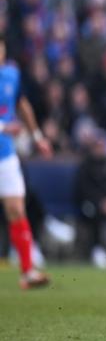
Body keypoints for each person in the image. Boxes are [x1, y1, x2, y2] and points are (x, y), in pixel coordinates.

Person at [0, 36, 53, 289]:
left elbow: (22, 105)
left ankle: (27, 272)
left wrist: (37, 137)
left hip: (6, 155)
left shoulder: (11, 75)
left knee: (16, 210)